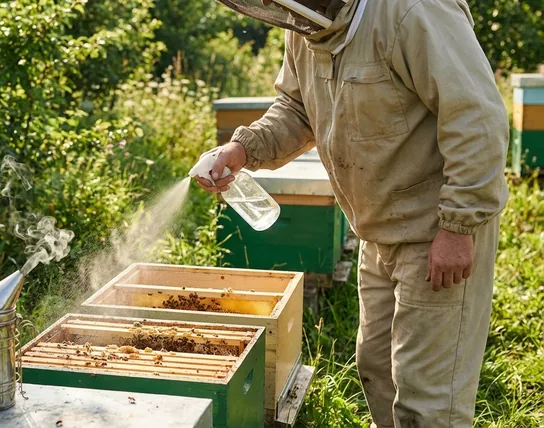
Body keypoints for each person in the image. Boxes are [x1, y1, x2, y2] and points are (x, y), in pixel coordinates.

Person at [193, 0, 509, 426]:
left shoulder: (414, 12)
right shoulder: (305, 27)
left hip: (437, 228)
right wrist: (244, 148)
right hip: (376, 229)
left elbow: (477, 120)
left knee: (428, 401)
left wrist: (458, 226)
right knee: (378, 370)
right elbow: (296, 108)